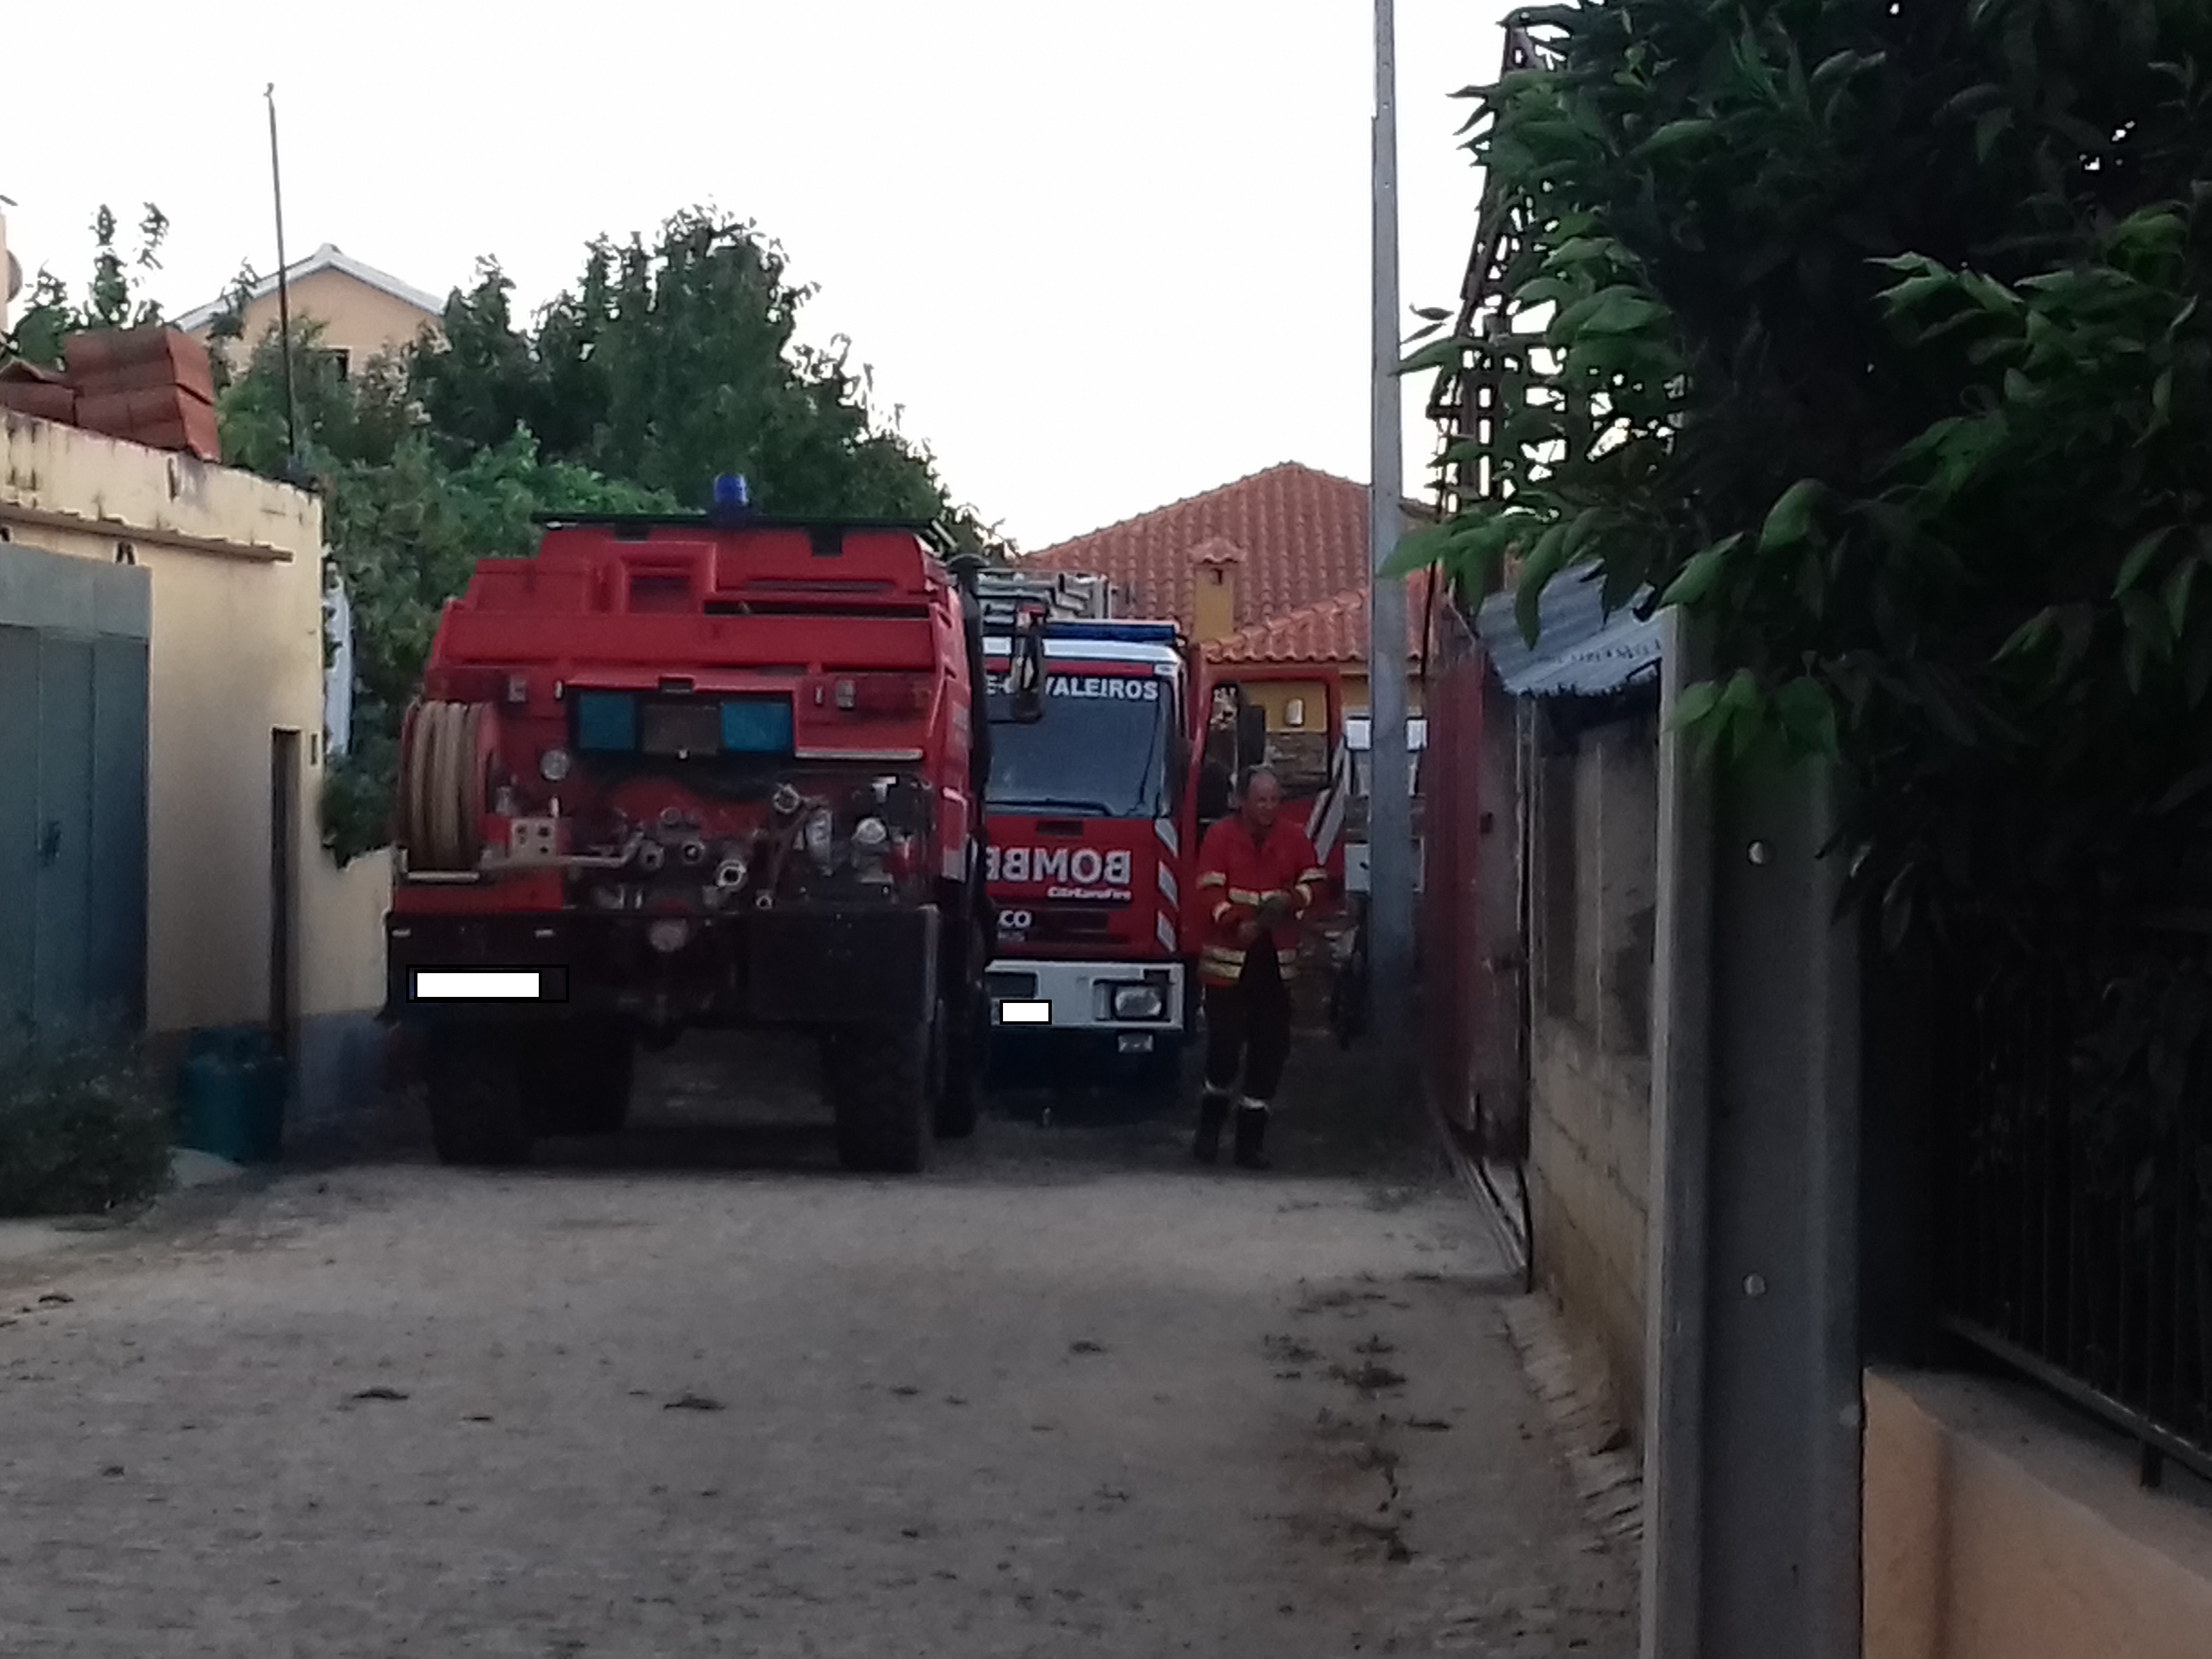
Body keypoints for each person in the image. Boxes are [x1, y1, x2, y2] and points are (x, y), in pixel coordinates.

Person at [1191, 765, 1328, 1168]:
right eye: (1261, 800)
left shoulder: (1294, 838)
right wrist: (1236, 922)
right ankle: (1208, 1135)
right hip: (1228, 963)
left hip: (1274, 963)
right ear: (1242, 802)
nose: (1269, 807)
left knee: (1270, 1051)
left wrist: (1292, 899)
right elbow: (1208, 890)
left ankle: (1250, 1145)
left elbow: (1316, 882)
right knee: (1224, 1049)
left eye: (1274, 800)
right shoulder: (1220, 836)